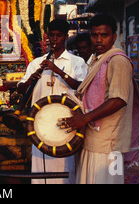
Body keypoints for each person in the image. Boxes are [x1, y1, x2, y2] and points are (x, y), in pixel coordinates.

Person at [63, 14, 139, 184]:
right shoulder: (99, 60)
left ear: (113, 36)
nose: (98, 40)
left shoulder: (118, 60)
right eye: (94, 35)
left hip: (109, 145)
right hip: (94, 140)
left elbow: (119, 99)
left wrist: (85, 118)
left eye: (104, 35)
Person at [17, 19, 88, 184]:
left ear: (65, 37)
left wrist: (57, 71)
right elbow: (20, 87)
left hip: (66, 124)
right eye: (51, 36)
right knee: (41, 172)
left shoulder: (77, 62)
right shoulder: (36, 63)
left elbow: (82, 87)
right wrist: (29, 82)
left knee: (66, 170)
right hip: (40, 124)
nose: (54, 39)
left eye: (59, 35)